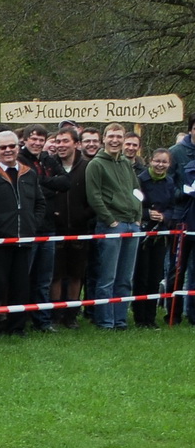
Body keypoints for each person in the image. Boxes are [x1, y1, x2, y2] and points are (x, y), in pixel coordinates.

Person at [0, 129, 47, 336]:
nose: (8, 151)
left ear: (19, 147)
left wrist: (32, 224)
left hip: (24, 239)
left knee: (21, 285)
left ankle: (17, 326)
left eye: (12, 146)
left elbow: (40, 203)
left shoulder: (29, 173)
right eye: (3, 147)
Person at [86, 122, 142, 331]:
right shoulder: (96, 165)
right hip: (112, 226)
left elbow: (137, 190)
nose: (115, 140)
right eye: (112, 136)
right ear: (104, 138)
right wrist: (110, 220)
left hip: (132, 224)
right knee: (107, 277)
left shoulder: (126, 164)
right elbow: (94, 196)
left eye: (119, 136)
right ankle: (105, 321)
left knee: (125, 278)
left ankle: (120, 320)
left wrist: (138, 216)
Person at [40, 127, 91, 327]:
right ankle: (55, 314)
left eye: (65, 141)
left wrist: (84, 216)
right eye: (58, 141)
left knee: (76, 274)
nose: (61, 145)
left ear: (76, 144)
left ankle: (71, 315)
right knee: (56, 274)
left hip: (80, 228)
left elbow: (95, 196)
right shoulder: (50, 167)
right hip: (55, 227)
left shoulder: (87, 167)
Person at [135, 149, 178, 327]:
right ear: (150, 161)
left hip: (161, 235)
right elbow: (134, 204)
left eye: (164, 162)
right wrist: (147, 213)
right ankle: (139, 317)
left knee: (155, 276)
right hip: (143, 233)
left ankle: (151, 318)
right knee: (141, 276)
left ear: (169, 164)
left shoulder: (170, 182)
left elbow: (173, 207)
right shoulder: (140, 180)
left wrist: (165, 217)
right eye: (157, 161)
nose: (160, 165)